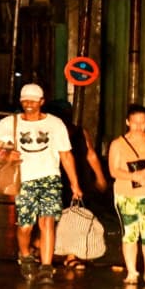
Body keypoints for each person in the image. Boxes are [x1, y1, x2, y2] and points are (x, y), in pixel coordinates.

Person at [0, 83, 84, 280]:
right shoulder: (10, 122)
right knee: (25, 226)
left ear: (41, 101)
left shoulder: (55, 124)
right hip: (24, 179)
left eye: (33, 100)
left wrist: (75, 184)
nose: (28, 104)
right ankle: (25, 254)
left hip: (50, 178)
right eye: (25, 100)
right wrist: (3, 153)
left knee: (47, 221)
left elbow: (66, 155)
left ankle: (46, 267)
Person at [42, 98, 108, 271]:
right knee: (71, 216)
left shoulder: (64, 131)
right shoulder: (76, 131)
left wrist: (100, 178)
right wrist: (100, 177)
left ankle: (68, 253)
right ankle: (64, 253)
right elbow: (91, 155)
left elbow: (91, 154)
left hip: (68, 178)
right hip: (71, 177)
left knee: (70, 217)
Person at [106, 103, 145, 285]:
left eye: (142, 123)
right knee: (130, 233)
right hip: (126, 193)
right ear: (127, 122)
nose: (138, 127)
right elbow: (114, 171)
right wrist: (134, 176)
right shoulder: (117, 144)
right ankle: (132, 272)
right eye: (134, 123)